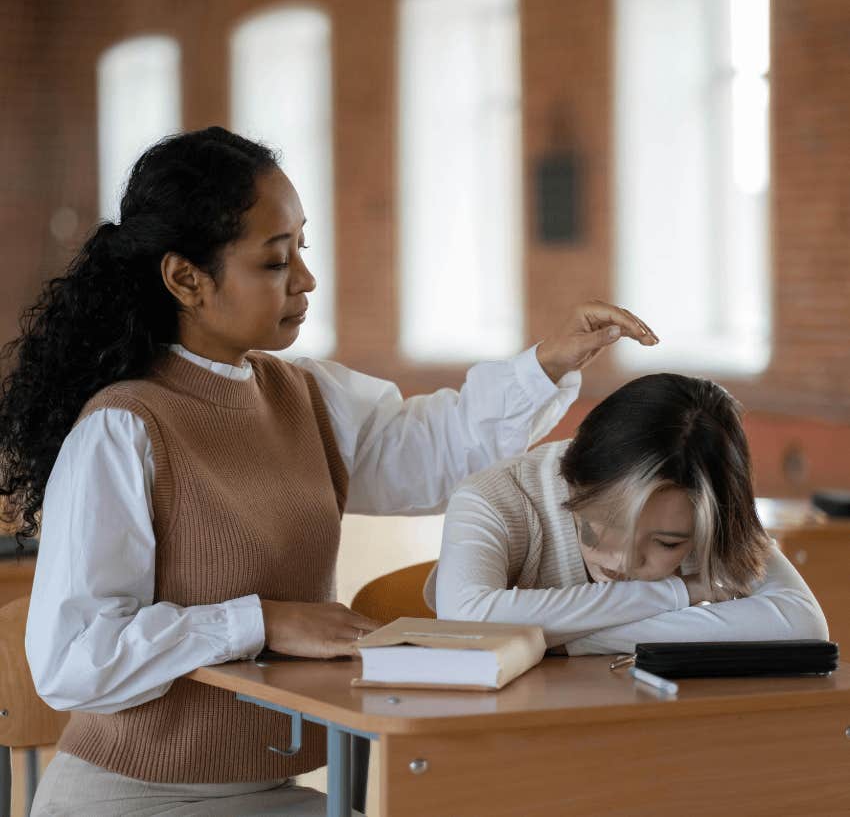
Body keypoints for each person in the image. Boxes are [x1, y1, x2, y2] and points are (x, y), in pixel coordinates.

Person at [0, 126, 658, 816]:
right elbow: (76, 656)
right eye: (276, 262)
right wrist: (261, 622)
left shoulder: (305, 396)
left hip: (277, 793)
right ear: (185, 279)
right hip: (130, 799)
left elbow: (437, 450)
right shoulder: (123, 428)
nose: (306, 281)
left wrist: (549, 361)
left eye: (301, 251)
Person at [428, 373, 829, 654]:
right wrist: (677, 591)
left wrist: (571, 640)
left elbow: (802, 625)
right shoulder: (494, 499)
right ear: (574, 483)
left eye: (667, 543)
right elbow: (466, 619)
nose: (624, 561)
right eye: (605, 526)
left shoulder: (705, 502)